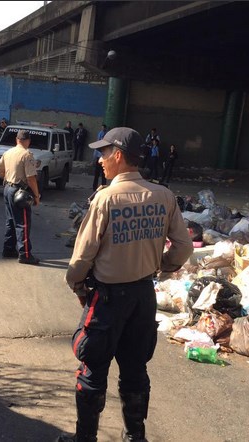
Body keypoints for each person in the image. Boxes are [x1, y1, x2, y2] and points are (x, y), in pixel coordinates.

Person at [59, 127, 193, 442]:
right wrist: (163, 268)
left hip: (107, 301)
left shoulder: (106, 198)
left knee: (93, 370)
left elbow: (80, 260)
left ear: (118, 155)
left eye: (104, 153)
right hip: (143, 297)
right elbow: (184, 247)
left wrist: (78, 288)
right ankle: (135, 436)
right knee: (135, 370)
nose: (100, 160)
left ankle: (85, 438)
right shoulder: (164, 195)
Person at [0, 129, 41, 265]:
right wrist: (37, 196)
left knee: (10, 221)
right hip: (19, 192)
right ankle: (25, 254)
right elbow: (31, 178)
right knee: (23, 224)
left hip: (8, 189)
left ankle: (9, 249)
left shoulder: (8, 152)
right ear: (28, 141)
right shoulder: (27, 155)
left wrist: (9, 178)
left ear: (17, 140)